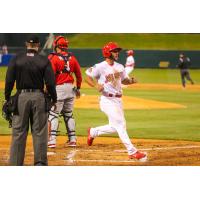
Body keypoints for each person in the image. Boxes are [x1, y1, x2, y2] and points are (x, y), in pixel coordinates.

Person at [85, 42, 147, 160]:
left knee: (115, 126)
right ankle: (132, 151)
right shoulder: (100, 66)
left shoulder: (120, 66)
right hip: (107, 100)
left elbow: (124, 81)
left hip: (118, 100)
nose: (117, 53)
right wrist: (95, 85)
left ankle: (93, 132)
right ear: (108, 53)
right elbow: (87, 77)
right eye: (114, 51)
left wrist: (131, 81)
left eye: (117, 51)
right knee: (120, 125)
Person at [4, 35, 57, 166]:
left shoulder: (17, 58)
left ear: (26, 44)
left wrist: (7, 97)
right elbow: (50, 83)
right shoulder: (44, 60)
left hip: (21, 97)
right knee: (39, 132)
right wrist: (54, 98)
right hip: (39, 97)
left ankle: (16, 164)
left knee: (18, 132)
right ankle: (40, 163)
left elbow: (9, 80)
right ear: (38, 45)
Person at [47, 35, 82, 148]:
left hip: (59, 88)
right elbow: (79, 75)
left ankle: (52, 140)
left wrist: (48, 89)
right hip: (70, 89)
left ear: (56, 46)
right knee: (68, 114)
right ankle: (72, 139)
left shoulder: (53, 58)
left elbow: (50, 76)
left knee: (53, 114)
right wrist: (78, 88)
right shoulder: (73, 58)